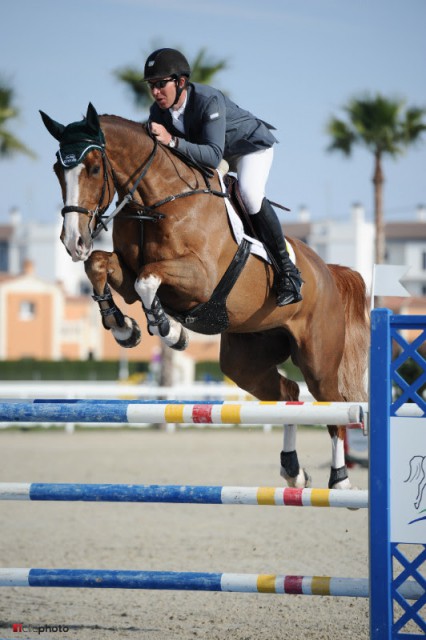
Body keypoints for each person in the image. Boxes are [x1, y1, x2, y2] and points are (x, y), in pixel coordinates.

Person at [143, 48, 303, 306]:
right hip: (219, 155)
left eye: (161, 84)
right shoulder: (158, 112)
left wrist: (171, 140)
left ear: (181, 82)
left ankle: (288, 273)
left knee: (250, 195)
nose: (155, 92)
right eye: (152, 86)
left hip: (249, 148)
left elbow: (213, 155)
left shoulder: (208, 100)